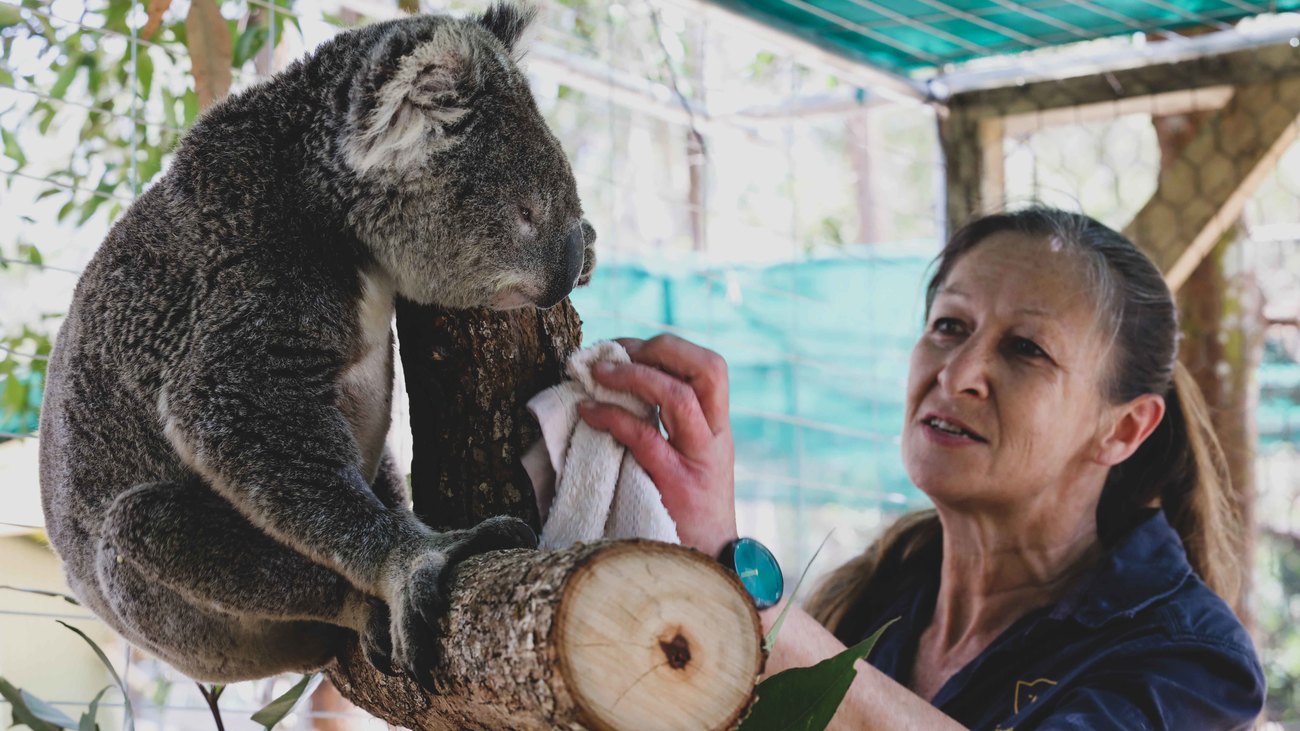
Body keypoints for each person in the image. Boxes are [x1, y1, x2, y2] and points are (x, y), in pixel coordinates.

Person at [576, 207, 1266, 730]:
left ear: (1123, 428)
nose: (959, 372)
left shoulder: (1190, 659)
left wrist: (747, 587)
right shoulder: (872, 596)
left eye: (1026, 349)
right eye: (949, 325)